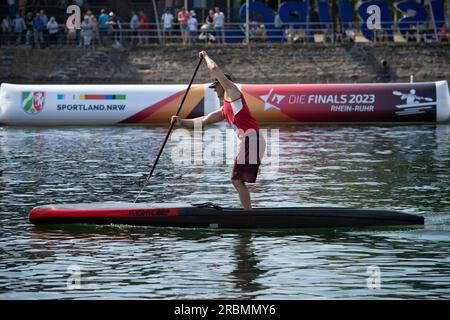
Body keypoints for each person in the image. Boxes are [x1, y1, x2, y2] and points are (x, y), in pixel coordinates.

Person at [171, 51, 265, 211]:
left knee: (236, 180)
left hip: (252, 140)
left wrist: (205, 56)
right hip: (252, 141)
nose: (214, 91)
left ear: (223, 84)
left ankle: (249, 215)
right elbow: (204, 120)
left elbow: (214, 68)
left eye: (215, 87)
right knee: (237, 180)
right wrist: (180, 121)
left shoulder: (233, 92)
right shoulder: (225, 109)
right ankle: (248, 213)